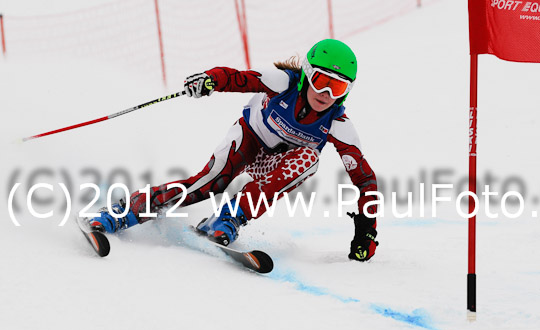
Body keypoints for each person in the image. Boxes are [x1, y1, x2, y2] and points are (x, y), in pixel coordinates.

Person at [85, 39, 379, 261]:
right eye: (321, 81)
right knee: (209, 185)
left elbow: (365, 180)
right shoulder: (283, 83)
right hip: (250, 138)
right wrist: (210, 80)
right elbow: (238, 78)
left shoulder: (338, 124)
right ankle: (123, 211)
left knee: (307, 160)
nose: (326, 94)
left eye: (337, 88)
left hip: (278, 163)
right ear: (306, 75)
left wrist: (367, 230)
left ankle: (229, 217)